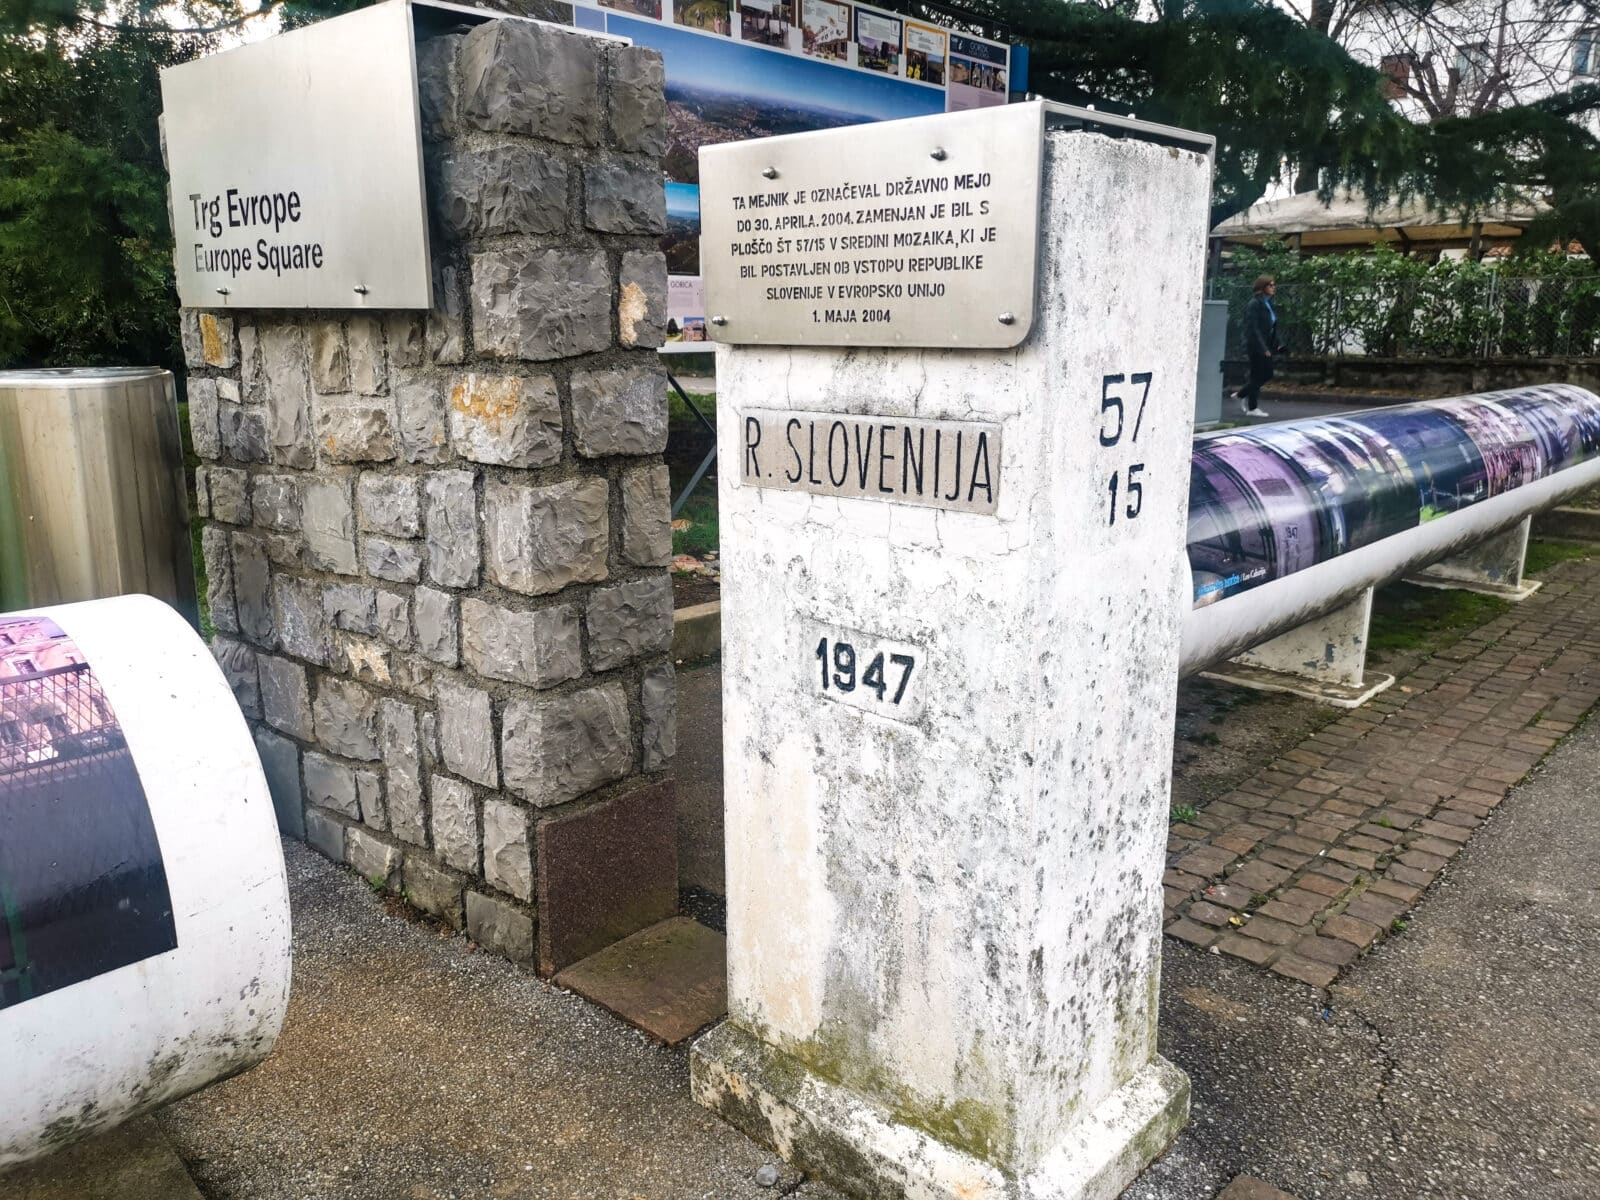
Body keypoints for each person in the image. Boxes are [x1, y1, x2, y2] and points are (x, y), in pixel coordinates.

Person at [1238, 274, 1280, 418]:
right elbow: (1253, 329)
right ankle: (1245, 399)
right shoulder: (1254, 304)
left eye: (1274, 285)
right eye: (1271, 285)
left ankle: (1248, 401)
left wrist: (1277, 344)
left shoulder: (1268, 303)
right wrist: (1264, 348)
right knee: (1264, 374)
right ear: (1262, 287)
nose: (1274, 288)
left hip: (1266, 345)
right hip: (1255, 346)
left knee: (1258, 376)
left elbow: (1272, 326)